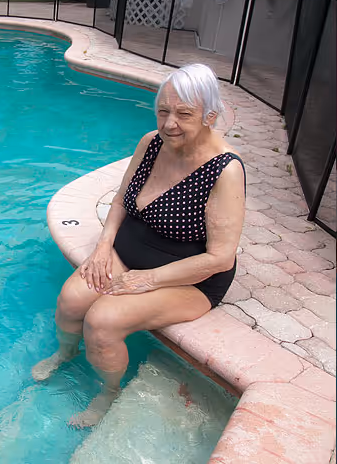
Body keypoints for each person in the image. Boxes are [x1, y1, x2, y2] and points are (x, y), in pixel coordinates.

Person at [32, 64, 246, 427]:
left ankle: (108, 393)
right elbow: (119, 201)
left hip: (188, 278)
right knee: (71, 300)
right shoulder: (151, 143)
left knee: (102, 321)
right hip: (128, 253)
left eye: (183, 114)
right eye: (163, 111)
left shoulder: (224, 170)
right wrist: (103, 247)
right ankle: (65, 354)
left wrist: (149, 279)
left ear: (210, 116)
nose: (169, 123)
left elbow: (221, 257)